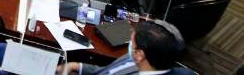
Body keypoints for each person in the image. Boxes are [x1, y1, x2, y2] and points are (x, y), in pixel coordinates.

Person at [62, 20, 193, 75]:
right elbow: (108, 71)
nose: (129, 45)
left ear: (140, 55)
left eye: (131, 42)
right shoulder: (146, 60)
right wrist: (74, 66)